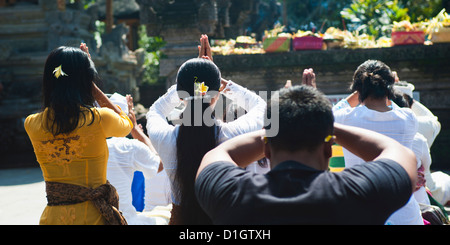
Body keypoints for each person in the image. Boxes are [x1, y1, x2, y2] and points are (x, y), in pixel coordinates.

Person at [195, 85, 418, 225]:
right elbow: (400, 153)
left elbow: (219, 154)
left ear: (267, 150)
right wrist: (326, 127)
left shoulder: (232, 194)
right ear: (329, 149)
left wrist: (278, 129)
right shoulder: (359, 192)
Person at [146, 35, 266, 224]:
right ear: (217, 93)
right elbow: (261, 107)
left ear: (180, 94)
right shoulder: (232, 135)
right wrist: (223, 85)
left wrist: (186, 86)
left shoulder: (165, 138)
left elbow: (155, 110)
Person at [24, 44, 133, 225]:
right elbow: (126, 125)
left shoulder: (32, 123)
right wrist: (93, 87)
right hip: (94, 218)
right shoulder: (98, 119)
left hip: (52, 219)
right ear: (86, 81)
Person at [329, 60, 423, 225]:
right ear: (390, 86)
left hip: (361, 214)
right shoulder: (408, 119)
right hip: (405, 216)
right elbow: (393, 107)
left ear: (358, 90)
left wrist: (360, 91)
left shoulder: (344, 118)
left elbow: (327, 117)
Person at [105, 93, 170, 225]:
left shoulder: (83, 145)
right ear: (128, 118)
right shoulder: (129, 147)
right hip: (125, 220)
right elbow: (159, 164)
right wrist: (136, 131)